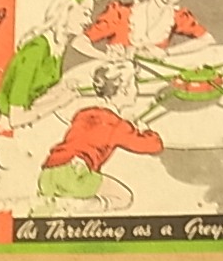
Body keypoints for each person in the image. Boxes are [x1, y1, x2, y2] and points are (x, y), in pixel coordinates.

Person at [34, 61, 163, 213]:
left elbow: (95, 132)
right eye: (134, 83)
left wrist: (125, 123)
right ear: (124, 90)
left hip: (47, 174)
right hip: (74, 175)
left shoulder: (83, 113)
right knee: (123, 198)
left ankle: (53, 204)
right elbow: (154, 146)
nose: (137, 88)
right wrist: (144, 129)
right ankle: (69, 207)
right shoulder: (117, 126)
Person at [0, 0, 94, 130]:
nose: (89, 21)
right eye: (85, 13)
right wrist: (59, 101)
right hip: (5, 124)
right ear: (68, 10)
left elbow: (37, 89)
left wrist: (61, 88)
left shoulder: (58, 44)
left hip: (28, 117)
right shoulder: (36, 50)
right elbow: (16, 118)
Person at [72, 0, 215, 61]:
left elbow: (207, 39)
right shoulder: (120, 14)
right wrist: (107, 57)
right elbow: (79, 42)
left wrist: (166, 52)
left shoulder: (176, 17)